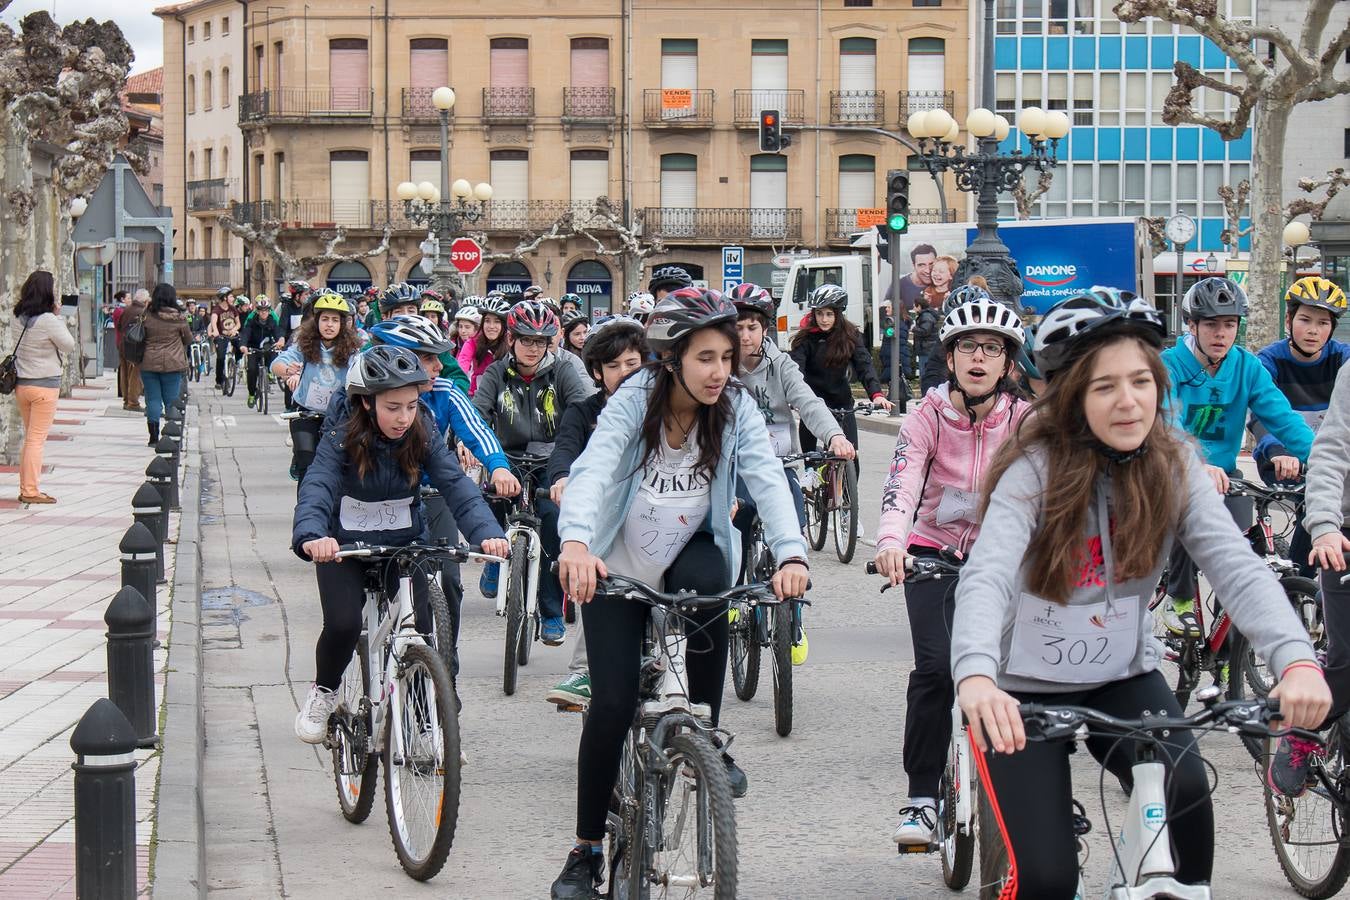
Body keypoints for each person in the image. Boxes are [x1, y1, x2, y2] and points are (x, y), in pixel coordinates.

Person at [953, 289, 1329, 899]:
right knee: (1045, 879)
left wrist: (1296, 658)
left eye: (1140, 382)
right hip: (1016, 689)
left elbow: (1236, 566)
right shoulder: (1034, 467)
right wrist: (975, 678)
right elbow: (987, 575)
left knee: (1187, 802)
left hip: (1121, 674)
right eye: (1104, 387)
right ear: (1072, 397)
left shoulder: (1173, 463)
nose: (1129, 402)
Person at [548, 288, 811, 898]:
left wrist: (793, 551)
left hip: (688, 550)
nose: (721, 371)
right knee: (611, 704)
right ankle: (585, 850)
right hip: (615, 560)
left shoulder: (736, 407)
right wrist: (576, 545)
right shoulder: (632, 401)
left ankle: (706, 732)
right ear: (671, 359)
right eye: (706, 358)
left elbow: (768, 479)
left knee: (713, 583)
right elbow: (592, 469)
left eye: (727, 356)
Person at [290, 345, 510, 743]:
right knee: (343, 623)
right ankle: (324, 691)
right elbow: (318, 484)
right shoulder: (342, 434)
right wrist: (312, 536)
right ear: (367, 403)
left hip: (404, 544)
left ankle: (427, 724)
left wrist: (487, 532)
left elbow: (455, 484)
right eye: (393, 407)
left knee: (421, 632)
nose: (404, 417)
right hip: (344, 546)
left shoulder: (420, 431)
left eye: (411, 405)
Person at [874, 292, 1031, 846]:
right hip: (932, 555)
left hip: (1001, 560)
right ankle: (921, 798)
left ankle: (1025, 790)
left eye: (992, 348)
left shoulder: (1026, 421)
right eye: (968, 347)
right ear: (952, 357)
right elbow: (902, 485)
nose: (979, 358)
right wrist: (892, 543)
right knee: (937, 670)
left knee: (1017, 677)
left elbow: (1053, 491)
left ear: (1009, 363)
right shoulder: (927, 416)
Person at [1158, 276, 1314, 636]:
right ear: (1192, 325)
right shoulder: (1169, 365)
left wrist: (1326, 462)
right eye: (1211, 324)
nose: (1221, 334)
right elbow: (1166, 424)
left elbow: (1285, 419)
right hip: (1172, 470)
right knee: (1193, 509)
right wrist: (1195, 463)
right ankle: (1178, 598)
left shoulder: (1246, 367)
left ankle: (1227, 642)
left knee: (1243, 550)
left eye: (1229, 325)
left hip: (1226, 476)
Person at [367, 314, 521, 679]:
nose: (439, 366)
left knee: (448, 578)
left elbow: (476, 430)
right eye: (428, 358)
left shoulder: (445, 392)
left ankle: (444, 668)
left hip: (434, 493)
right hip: (381, 503)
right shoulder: (366, 397)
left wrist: (498, 466)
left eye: (439, 357)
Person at [544, 316, 650, 709]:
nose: (624, 373)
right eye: (613, 366)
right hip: (604, 514)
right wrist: (561, 478)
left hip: (660, 513)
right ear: (596, 372)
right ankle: (586, 669)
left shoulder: (660, 406)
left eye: (632, 364)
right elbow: (566, 451)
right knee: (597, 568)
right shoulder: (584, 412)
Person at [471, 299, 589, 646]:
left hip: (552, 460)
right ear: (512, 339)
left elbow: (582, 410)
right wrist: (472, 444)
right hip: (506, 455)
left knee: (553, 522)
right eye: (526, 339)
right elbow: (478, 412)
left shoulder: (564, 371)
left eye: (541, 341)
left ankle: (551, 612)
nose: (533, 348)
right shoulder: (496, 372)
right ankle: (494, 556)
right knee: (489, 497)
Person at [1249, 276, 1350, 577]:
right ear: (1289, 320)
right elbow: (1260, 416)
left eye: (1323, 323)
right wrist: (1277, 451)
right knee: (1315, 508)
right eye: (1305, 320)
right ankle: (1298, 590)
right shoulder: (1269, 360)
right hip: (1286, 460)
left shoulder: (1343, 359)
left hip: (1333, 461)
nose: (1313, 330)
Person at [1289, 355, 1350, 797]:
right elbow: (1331, 452)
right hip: (1344, 537)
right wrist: (1326, 527)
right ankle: (1299, 732)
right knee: (1348, 664)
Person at [788, 283, 894, 473]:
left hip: (841, 403)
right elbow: (796, 370)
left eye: (829, 314)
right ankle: (811, 491)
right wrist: (794, 397)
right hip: (811, 402)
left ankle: (847, 500)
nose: (824, 319)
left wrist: (876, 394)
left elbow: (864, 366)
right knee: (810, 459)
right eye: (819, 313)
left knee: (852, 460)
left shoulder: (850, 335)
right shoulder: (805, 339)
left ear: (838, 314)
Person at [270, 292, 363, 484]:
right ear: (317, 321)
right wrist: (288, 369)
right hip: (306, 414)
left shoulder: (352, 351)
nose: (329, 325)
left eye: (335, 320)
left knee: (339, 467)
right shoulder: (303, 345)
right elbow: (276, 365)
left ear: (342, 324)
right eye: (325, 319)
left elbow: (360, 374)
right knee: (307, 465)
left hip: (338, 417)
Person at [11, 270, 75, 503]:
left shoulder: (17, 316)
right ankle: (30, 491)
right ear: (47, 292)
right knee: (36, 440)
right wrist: (59, 317)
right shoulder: (48, 320)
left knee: (31, 438)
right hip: (44, 387)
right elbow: (68, 345)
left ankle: (26, 487)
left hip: (22, 385)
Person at [374, 283, 470, 393]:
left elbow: (458, 377)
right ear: (385, 317)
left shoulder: (432, 342)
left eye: (411, 310)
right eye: (398, 312)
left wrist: (441, 397)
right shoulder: (375, 346)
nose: (406, 316)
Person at [139, 283, 193, 446]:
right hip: (173, 364)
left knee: (153, 399)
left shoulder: (147, 314)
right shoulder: (179, 317)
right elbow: (188, 339)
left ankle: (153, 437)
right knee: (171, 400)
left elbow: (141, 334)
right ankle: (170, 437)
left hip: (149, 362)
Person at [457, 293, 510, 395]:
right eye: (487, 321)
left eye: (497, 322)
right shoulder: (473, 342)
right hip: (477, 395)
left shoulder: (511, 343)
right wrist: (459, 387)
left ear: (504, 325)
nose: (491, 326)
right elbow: (461, 365)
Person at [240, 294, 284, 408]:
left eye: (266, 310)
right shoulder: (251, 320)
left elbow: (278, 331)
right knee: (252, 370)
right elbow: (245, 333)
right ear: (257, 311)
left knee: (273, 352)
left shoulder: (272, 320)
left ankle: (270, 372)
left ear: (269, 311)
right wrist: (243, 345)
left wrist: (280, 340)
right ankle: (251, 394)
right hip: (253, 347)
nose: (264, 313)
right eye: (261, 310)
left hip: (266, 346)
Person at [114, 289, 147, 410]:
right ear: (144, 300)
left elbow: (119, 326)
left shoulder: (126, 310)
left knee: (124, 373)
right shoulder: (142, 312)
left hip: (123, 344)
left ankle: (126, 400)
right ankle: (133, 402)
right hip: (134, 347)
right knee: (135, 374)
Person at [896, 243, 937, 312]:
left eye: (931, 264)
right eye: (921, 265)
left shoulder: (944, 282)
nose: (927, 270)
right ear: (913, 265)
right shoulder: (900, 285)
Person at [911, 295, 941, 379]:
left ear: (919, 306)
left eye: (914, 306)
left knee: (924, 372)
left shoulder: (926, 316)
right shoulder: (926, 315)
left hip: (926, 349)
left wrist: (914, 329)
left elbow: (925, 331)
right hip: (926, 348)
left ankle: (925, 389)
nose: (913, 309)